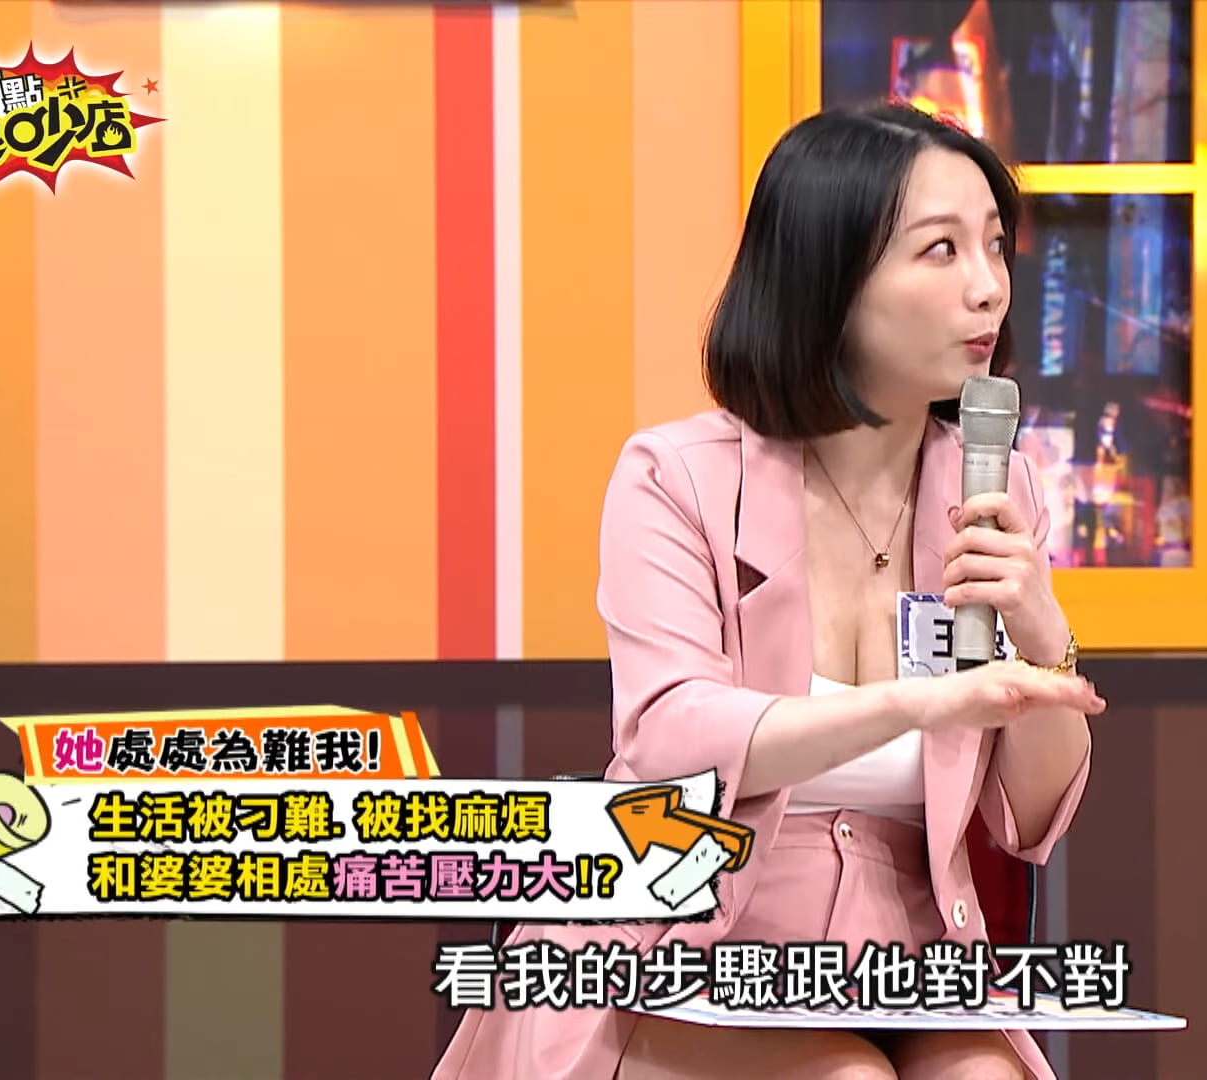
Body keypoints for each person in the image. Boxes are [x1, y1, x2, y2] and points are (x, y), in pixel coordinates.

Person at [433, 101, 1104, 1080]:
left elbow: (1029, 819)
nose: (988, 288)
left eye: (996, 248)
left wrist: (1044, 636)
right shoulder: (678, 476)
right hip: (675, 940)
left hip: (899, 959)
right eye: (942, 250)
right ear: (828, 277)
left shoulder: (1000, 490)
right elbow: (671, 736)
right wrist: (915, 704)